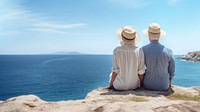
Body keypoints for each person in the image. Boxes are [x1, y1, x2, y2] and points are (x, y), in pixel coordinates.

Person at [105, 25, 146, 90]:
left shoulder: (116, 50)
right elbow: (141, 71)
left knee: (111, 73)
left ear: (122, 37)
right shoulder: (139, 50)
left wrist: (110, 85)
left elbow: (115, 71)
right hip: (134, 85)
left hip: (118, 86)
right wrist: (141, 84)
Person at [142, 23, 175, 91]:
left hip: (147, 84)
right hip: (164, 85)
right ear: (159, 36)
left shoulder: (143, 49)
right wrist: (170, 84)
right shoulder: (168, 51)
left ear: (148, 35)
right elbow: (172, 70)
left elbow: (140, 68)